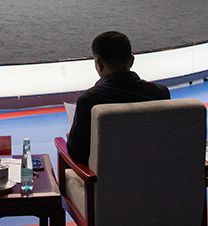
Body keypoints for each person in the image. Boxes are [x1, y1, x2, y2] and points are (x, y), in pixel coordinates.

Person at [65, 31, 170, 166]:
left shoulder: (89, 100)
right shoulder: (160, 93)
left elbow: (78, 154)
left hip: (106, 177)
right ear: (131, 60)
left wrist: (70, 139)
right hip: (154, 171)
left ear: (98, 64)